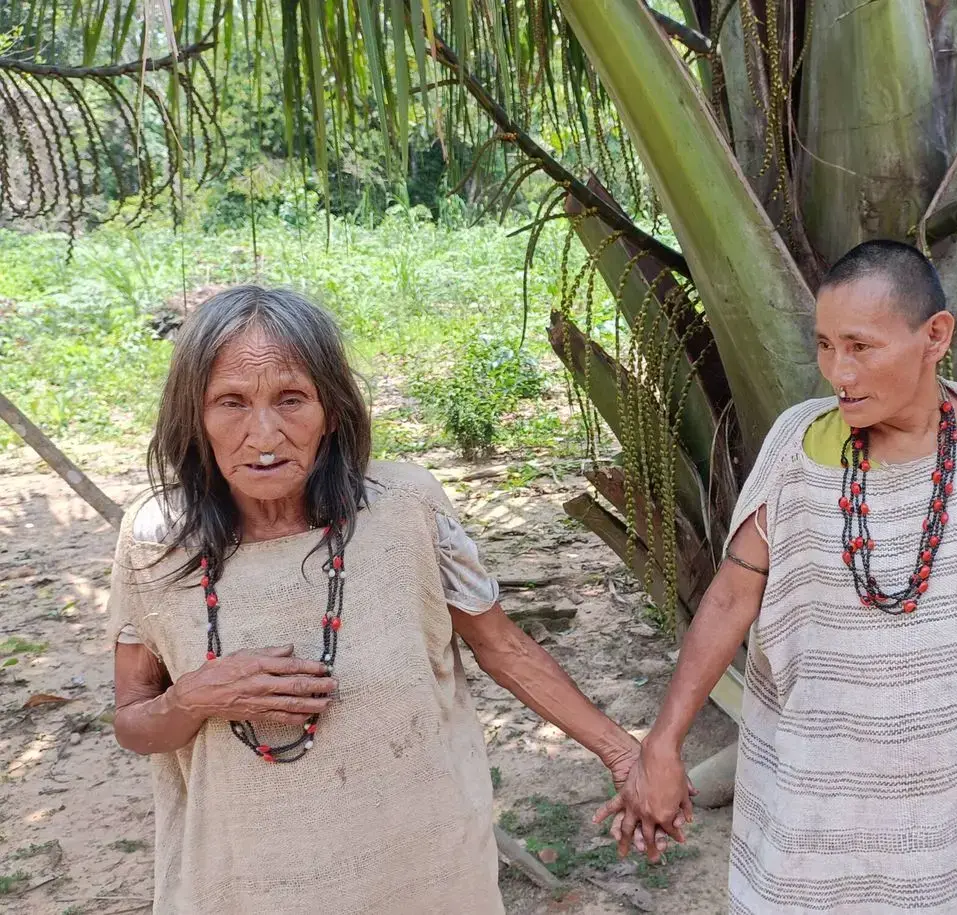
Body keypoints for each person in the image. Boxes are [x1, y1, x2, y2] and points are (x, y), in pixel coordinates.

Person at [106, 285, 648, 914]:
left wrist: (624, 752)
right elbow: (134, 723)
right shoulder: (156, 539)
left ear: (331, 411)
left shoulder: (405, 510)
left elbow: (503, 648)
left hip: (424, 873)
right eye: (229, 402)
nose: (263, 434)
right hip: (250, 888)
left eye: (291, 399)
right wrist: (195, 696)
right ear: (191, 416)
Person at [598, 240, 957, 914]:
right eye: (826, 345)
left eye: (860, 346)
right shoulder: (798, 446)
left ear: (936, 336)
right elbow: (732, 595)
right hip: (821, 814)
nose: (839, 371)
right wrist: (662, 742)